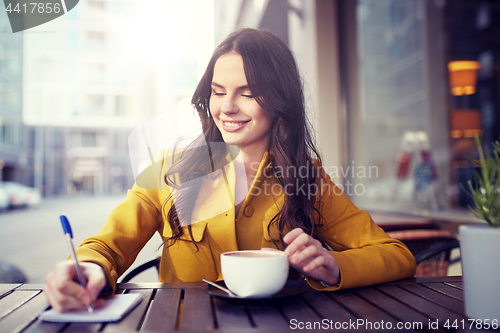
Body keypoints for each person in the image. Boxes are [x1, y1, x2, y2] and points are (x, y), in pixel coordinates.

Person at [44, 28, 416, 312]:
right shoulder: (167, 171)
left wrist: (335, 266)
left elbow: (397, 255)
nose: (227, 107)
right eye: (218, 91)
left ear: (280, 100)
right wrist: (88, 266)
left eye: (248, 93)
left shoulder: (308, 176)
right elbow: (107, 245)